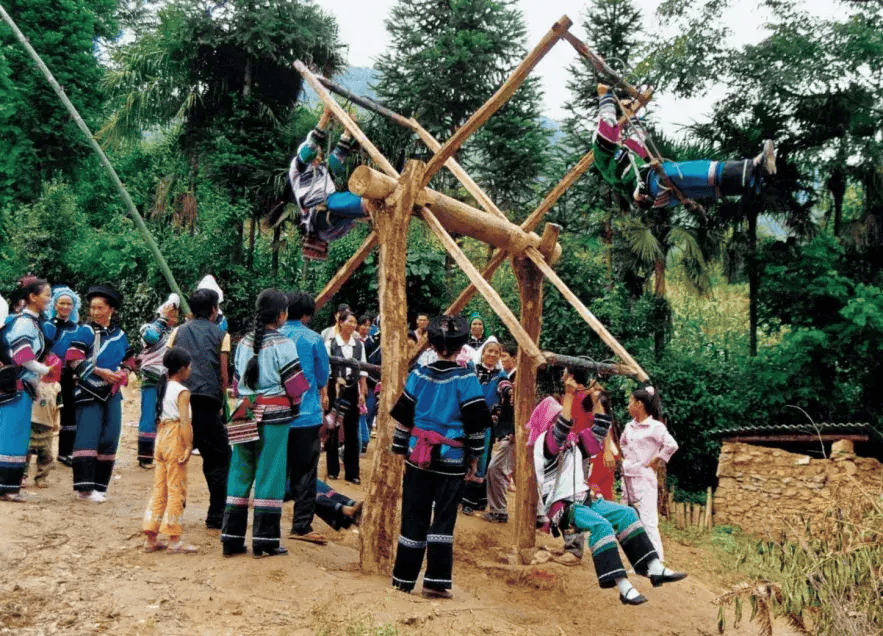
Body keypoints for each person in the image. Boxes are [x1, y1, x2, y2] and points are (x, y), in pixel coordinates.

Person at [529, 370, 686, 605]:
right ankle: (623, 587)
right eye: (554, 418)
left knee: (627, 513)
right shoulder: (547, 444)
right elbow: (562, 427)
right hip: (562, 506)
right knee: (601, 526)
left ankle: (652, 567)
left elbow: (601, 428)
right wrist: (569, 395)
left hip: (582, 498)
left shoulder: (573, 443)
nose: (559, 420)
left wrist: (596, 399)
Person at [390, 315, 493, 599]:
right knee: (444, 517)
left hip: (417, 456)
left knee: (413, 513)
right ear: (462, 348)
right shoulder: (466, 379)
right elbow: (476, 426)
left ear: (432, 346)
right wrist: (474, 459)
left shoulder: (418, 375)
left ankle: (403, 579)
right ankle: (435, 581)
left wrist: (401, 453)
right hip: (451, 458)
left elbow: (403, 421)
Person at [223, 289, 308, 558]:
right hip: (275, 415)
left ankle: (231, 539)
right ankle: (265, 541)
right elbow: (295, 387)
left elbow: (236, 384)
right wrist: (295, 408)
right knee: (270, 473)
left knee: (240, 470)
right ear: (282, 315)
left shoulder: (244, 342)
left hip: (244, 412)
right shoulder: (284, 345)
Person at [593, 84, 776, 209]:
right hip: (651, 184)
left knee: (710, 187)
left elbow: (637, 135)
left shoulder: (627, 150)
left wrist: (631, 113)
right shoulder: (603, 155)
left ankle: (752, 181)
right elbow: (608, 124)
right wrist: (605, 96)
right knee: (698, 170)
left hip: (661, 193)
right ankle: (753, 166)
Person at [166, 288, 231, 530]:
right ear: (214, 310)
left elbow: (168, 368)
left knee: (175, 459)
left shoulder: (177, 332)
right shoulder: (221, 334)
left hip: (177, 403)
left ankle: (172, 512)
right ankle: (216, 515)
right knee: (219, 459)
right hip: (206, 403)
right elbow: (223, 375)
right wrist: (222, 404)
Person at [67, 285, 135, 502]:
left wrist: (122, 372)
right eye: (92, 308)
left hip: (112, 393)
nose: (95, 312)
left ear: (111, 310)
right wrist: (100, 372)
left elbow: (129, 360)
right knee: (88, 435)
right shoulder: (84, 331)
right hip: (89, 391)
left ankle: (100, 486)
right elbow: (73, 358)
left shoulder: (121, 335)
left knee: (110, 437)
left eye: (100, 308)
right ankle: (84, 488)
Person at [284, 106, 370, 260]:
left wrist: (348, 130)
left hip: (329, 223)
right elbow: (308, 150)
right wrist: (324, 118)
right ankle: (368, 204)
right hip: (319, 215)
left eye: (319, 154)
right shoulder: (297, 169)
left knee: (346, 204)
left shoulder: (323, 169)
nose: (318, 156)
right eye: (315, 154)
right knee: (335, 201)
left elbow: (337, 156)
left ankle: (370, 206)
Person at [279, 291, 330, 546]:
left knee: (276, 467)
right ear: (308, 314)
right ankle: (301, 525)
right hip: (306, 415)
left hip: (276, 413)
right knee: (306, 472)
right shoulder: (313, 339)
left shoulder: (272, 336)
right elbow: (322, 377)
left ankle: (267, 521)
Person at [0, 277, 57, 501]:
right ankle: (7, 488)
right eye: (47, 295)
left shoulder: (28, 321)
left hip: (20, 387)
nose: (49, 300)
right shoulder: (25, 323)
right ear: (33, 297)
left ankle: (8, 486)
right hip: (18, 387)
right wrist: (45, 370)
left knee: (12, 434)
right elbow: (23, 356)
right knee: (12, 436)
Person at [142, 347, 197, 554]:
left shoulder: (162, 387)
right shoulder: (182, 392)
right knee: (177, 489)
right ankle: (174, 539)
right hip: (175, 436)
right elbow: (185, 421)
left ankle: (151, 536)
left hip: (162, 436)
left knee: (160, 488)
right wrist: (189, 445)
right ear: (182, 368)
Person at [620, 386, 678, 562]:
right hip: (628, 477)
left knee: (648, 521)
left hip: (644, 479)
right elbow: (622, 443)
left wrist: (657, 459)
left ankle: (657, 562)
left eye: (630, 401)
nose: (628, 405)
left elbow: (671, 445)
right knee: (628, 520)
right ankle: (637, 561)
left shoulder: (655, 427)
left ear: (639, 404)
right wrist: (627, 460)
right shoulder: (629, 426)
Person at [461, 337, 511, 515]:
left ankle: (470, 502)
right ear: (482, 352)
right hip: (466, 418)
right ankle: (456, 497)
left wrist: (510, 392)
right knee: (463, 454)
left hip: (486, 422)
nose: (492, 354)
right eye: (489, 351)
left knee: (481, 459)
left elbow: (505, 386)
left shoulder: (500, 375)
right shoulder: (471, 369)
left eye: (496, 352)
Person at [136, 294, 180, 469]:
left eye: (175, 315)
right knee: (149, 415)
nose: (172, 318)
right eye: (170, 314)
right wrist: (162, 318)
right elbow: (151, 338)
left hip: (168, 379)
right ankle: (144, 456)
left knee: (166, 416)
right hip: (151, 378)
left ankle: (162, 452)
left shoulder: (175, 332)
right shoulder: (149, 328)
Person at [323, 309, 367, 484]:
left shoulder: (359, 345)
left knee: (352, 428)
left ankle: (352, 472)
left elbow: (363, 371)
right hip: (335, 389)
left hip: (352, 390)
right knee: (333, 427)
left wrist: (362, 393)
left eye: (354, 322)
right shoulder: (331, 344)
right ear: (340, 322)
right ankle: (332, 469)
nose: (353, 325)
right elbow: (326, 372)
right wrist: (325, 394)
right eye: (349, 321)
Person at [43, 286, 81, 467]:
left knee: (69, 413)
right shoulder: (48, 326)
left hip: (69, 376)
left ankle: (66, 452)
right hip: (49, 374)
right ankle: (43, 454)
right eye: (62, 303)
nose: (65, 307)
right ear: (55, 304)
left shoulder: (77, 329)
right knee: (46, 413)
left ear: (74, 306)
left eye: (69, 304)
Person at [484, 341, 517, 523]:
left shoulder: (516, 379)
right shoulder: (506, 378)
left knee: (495, 469)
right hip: (506, 432)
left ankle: (499, 511)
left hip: (511, 433)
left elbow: (517, 409)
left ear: (514, 358)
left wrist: (512, 432)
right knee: (503, 470)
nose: (500, 358)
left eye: (503, 355)